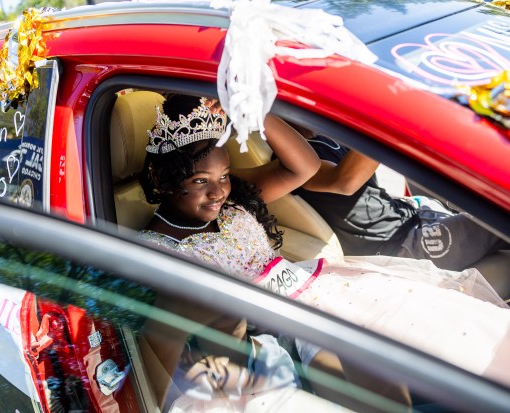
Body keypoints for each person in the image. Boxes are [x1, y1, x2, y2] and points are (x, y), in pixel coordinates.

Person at [137, 94, 510, 408]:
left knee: (437, 340)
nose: (217, 192)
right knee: (370, 384)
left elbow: (306, 166)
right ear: (164, 182)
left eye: (223, 176)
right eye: (200, 181)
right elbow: (177, 327)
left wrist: (253, 108)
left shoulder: (235, 199)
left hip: (319, 288)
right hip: (273, 326)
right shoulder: (154, 247)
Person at [289, 129, 509, 272]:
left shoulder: (320, 134)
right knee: (501, 217)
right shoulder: (293, 160)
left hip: (412, 215)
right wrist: (383, 118)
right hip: (399, 247)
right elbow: (345, 182)